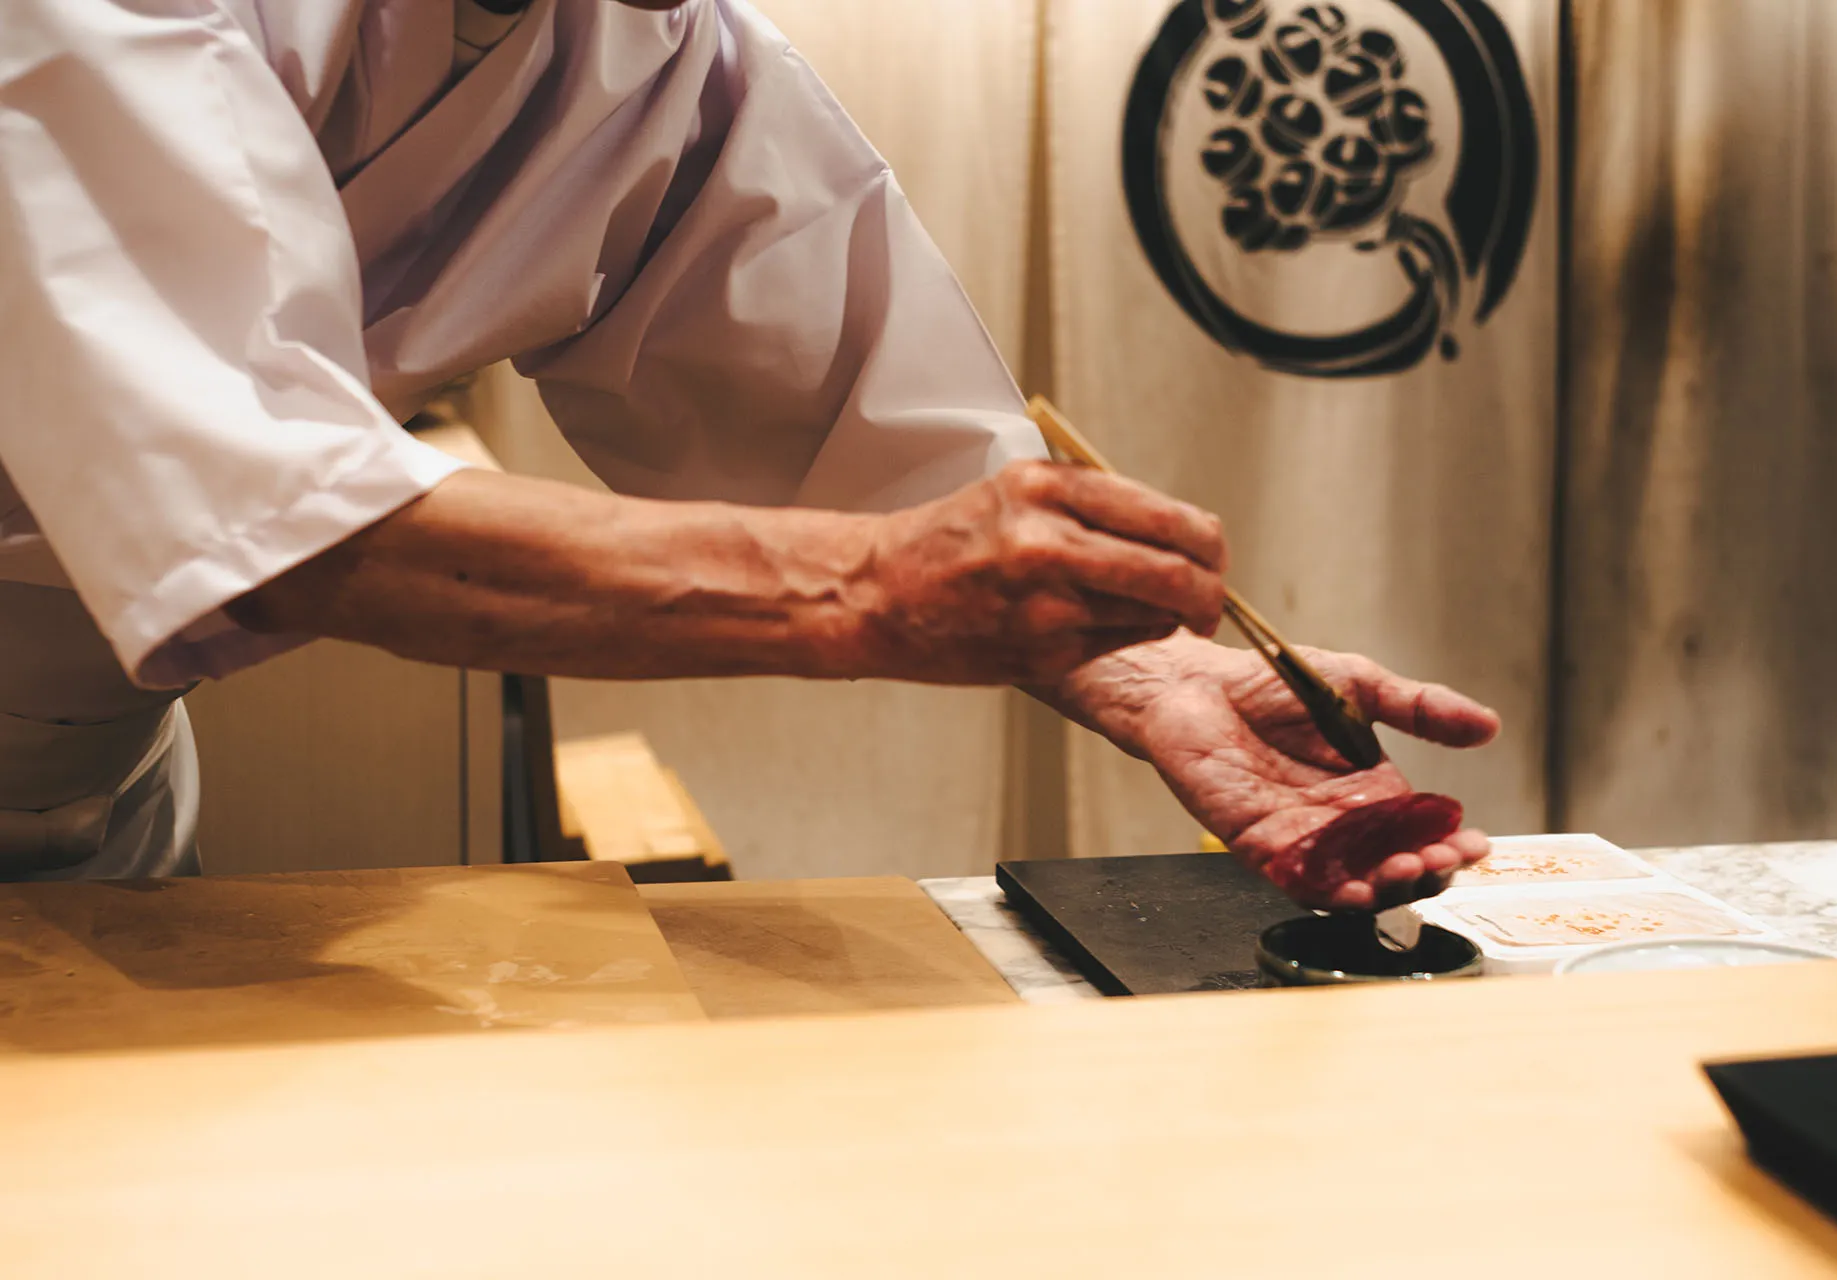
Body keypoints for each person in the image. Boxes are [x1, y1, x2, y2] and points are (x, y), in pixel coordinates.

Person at [0, 0, 1499, 906]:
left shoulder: (655, 49)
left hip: (93, 794)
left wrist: (1152, 667)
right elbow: (272, 501)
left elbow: (851, 414)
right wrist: (873, 593)